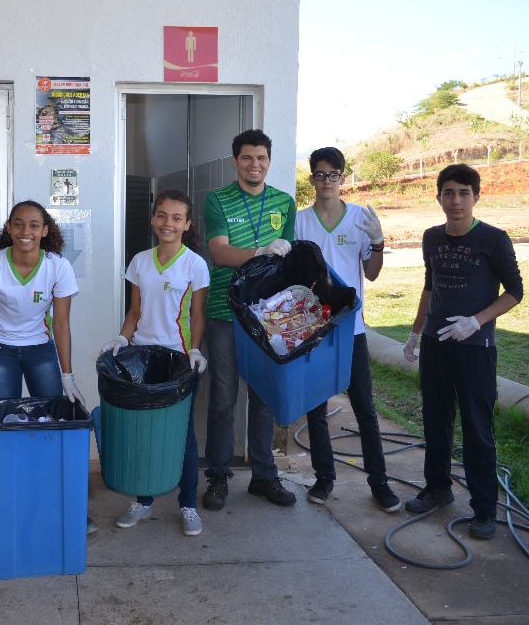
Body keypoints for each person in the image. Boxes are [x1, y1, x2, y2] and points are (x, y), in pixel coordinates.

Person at [402, 163, 524, 540]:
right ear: (438, 197)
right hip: (438, 344)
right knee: (435, 419)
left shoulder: (493, 239)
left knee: (476, 425)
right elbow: (429, 286)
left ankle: (484, 508)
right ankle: (437, 488)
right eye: (449, 193)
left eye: (463, 193)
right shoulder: (431, 238)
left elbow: (514, 292)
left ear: (476, 196)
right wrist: (416, 331)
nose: (455, 201)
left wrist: (477, 320)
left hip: (475, 347)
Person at [0, 200, 94, 532]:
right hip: (1, 352)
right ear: (9, 228)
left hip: (40, 350)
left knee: (55, 426)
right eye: (19, 224)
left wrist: (67, 375)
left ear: (45, 230)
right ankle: (8, 505)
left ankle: (65, 504)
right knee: (4, 429)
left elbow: (62, 325)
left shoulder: (58, 267)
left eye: (34, 225)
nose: (26, 232)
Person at [295, 147, 401, 512]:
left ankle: (380, 484)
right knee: (315, 406)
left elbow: (370, 273)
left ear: (343, 177)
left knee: (364, 407)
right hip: (315, 330)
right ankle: (324, 479)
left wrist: (378, 242)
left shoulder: (359, 219)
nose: (326, 181)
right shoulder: (300, 222)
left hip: (350, 329)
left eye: (333, 174)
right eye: (319, 175)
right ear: (311, 180)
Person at [102, 190, 209, 536]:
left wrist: (195, 351)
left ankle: (189, 505)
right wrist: (121, 338)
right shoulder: (139, 261)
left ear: (187, 224)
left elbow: (197, 315)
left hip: (178, 360)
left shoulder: (195, 264)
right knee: (144, 434)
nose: (168, 223)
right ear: (153, 219)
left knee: (183, 435)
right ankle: (143, 502)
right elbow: (134, 311)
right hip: (141, 358)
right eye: (162, 215)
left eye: (177, 218)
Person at [202, 128, 297, 511]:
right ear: (235, 161)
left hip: (268, 316)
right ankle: (219, 477)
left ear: (269, 161)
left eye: (261, 158)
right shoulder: (217, 200)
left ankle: (264, 475)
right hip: (226, 313)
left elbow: (288, 260)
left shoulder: (284, 202)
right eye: (247, 158)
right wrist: (261, 249)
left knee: (264, 398)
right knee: (224, 399)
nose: (254, 165)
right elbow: (220, 254)